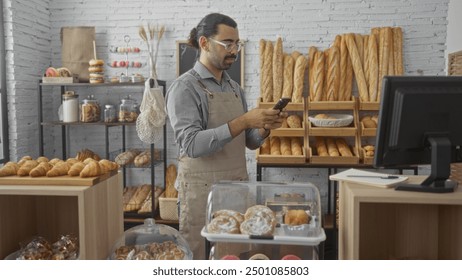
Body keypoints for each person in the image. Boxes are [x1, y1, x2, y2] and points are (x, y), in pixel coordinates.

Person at [166, 13, 287, 260]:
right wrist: (243, 121)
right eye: (227, 43)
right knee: (201, 258)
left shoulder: (235, 89)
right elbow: (191, 145)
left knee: (232, 260)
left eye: (237, 44)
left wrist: (264, 127)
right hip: (202, 196)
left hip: (235, 191)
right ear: (204, 43)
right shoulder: (184, 88)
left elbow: (249, 142)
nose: (234, 50)